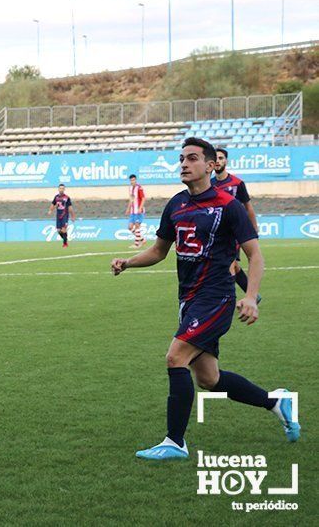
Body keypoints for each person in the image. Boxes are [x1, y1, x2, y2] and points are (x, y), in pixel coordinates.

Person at [110, 138, 299, 461]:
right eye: (181, 158)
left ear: (211, 165)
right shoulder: (176, 205)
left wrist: (250, 297)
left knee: (175, 357)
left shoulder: (229, 205)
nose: (184, 164)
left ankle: (175, 441)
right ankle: (276, 402)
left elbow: (255, 256)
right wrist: (128, 263)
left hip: (216, 298)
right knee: (209, 379)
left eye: (192, 158)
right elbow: (159, 251)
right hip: (188, 299)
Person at [211, 148, 260, 299]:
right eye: (216, 159)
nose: (218, 161)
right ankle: (252, 294)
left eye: (221, 158)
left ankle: (227, 300)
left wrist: (254, 229)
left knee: (230, 264)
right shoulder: (209, 184)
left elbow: (248, 207)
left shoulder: (237, 183)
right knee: (233, 265)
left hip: (234, 231)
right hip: (217, 232)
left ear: (226, 161)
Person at [47, 184, 75, 248]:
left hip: (65, 215)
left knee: (63, 229)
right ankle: (65, 239)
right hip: (58, 215)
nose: (61, 189)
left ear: (64, 189)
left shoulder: (67, 198)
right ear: (58, 189)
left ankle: (65, 244)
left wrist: (72, 216)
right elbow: (53, 204)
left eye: (63, 188)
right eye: (60, 188)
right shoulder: (56, 197)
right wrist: (50, 210)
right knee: (59, 230)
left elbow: (70, 208)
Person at [127, 174, 146, 248]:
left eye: (134, 180)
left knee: (137, 226)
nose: (133, 181)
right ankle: (142, 239)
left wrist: (140, 208)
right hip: (132, 211)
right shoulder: (130, 188)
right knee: (130, 227)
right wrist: (128, 208)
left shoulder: (139, 188)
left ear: (136, 180)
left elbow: (143, 198)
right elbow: (131, 199)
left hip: (138, 210)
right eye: (131, 180)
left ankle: (136, 244)